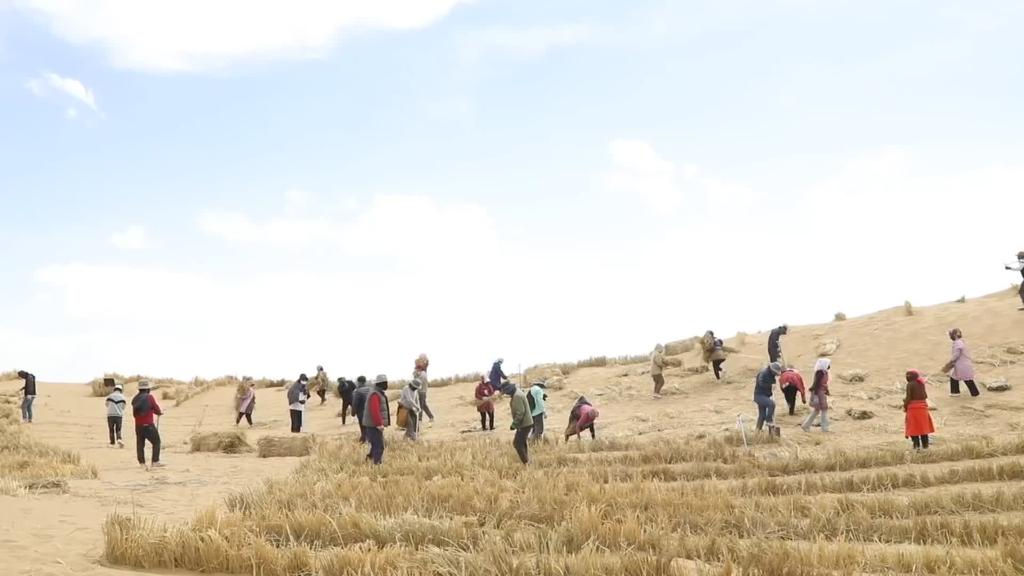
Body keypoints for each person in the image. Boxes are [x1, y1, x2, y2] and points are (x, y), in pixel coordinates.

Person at [131, 380, 164, 469]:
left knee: (140, 444)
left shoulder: (135, 398)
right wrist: (159, 412)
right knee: (156, 442)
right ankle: (155, 461)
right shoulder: (149, 397)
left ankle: (142, 463)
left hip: (138, 425)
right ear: (147, 389)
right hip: (148, 425)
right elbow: (156, 408)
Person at [362, 374, 391, 464]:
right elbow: (375, 410)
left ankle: (368, 460)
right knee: (379, 446)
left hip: (372, 424)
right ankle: (377, 464)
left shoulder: (376, 392)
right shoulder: (375, 394)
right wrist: (379, 424)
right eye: (385, 383)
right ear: (381, 384)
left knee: (375, 444)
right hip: (373, 425)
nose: (387, 385)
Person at [943, 328, 979, 397]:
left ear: (954, 335)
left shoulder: (957, 344)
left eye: (950, 335)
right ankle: (973, 393)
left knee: (965, 379)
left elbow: (956, 355)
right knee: (960, 378)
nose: (950, 337)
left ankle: (956, 392)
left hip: (961, 365)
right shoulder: (961, 341)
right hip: (965, 364)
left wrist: (950, 362)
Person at [904, 369, 934, 450]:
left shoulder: (909, 384)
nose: (907, 377)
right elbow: (925, 396)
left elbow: (908, 397)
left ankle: (916, 447)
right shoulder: (921, 383)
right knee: (923, 429)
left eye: (908, 375)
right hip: (923, 408)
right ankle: (925, 447)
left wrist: (905, 406)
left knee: (914, 429)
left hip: (913, 409)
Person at [504, 383, 534, 464]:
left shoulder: (517, 396)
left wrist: (514, 424)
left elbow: (520, 412)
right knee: (522, 442)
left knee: (517, 443)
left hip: (524, 424)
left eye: (507, 392)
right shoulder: (518, 392)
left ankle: (526, 462)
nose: (507, 394)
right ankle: (527, 460)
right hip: (527, 423)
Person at [801, 359, 831, 432]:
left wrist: (826, 390)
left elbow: (823, 384)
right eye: (828, 364)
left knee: (817, 411)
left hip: (821, 393)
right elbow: (816, 384)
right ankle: (824, 428)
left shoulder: (824, 372)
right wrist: (814, 395)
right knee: (823, 410)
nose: (829, 366)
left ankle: (806, 425)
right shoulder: (820, 373)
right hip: (819, 394)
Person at [753, 362, 782, 435]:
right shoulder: (763, 373)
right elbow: (761, 383)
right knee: (771, 404)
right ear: (772, 370)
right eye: (776, 372)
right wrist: (770, 386)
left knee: (762, 415)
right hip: (759, 396)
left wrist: (773, 385)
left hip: (765, 396)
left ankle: (757, 432)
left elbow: (773, 382)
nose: (776, 374)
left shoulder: (771, 375)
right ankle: (769, 420)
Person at [414, 354, 435, 425]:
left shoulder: (422, 373)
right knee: (424, 405)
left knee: (420, 406)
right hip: (421, 391)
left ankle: (420, 420)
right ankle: (431, 417)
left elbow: (417, 382)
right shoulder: (421, 372)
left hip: (422, 391)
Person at [105, 383, 126, 447]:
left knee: (111, 429)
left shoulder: (110, 396)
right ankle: (119, 439)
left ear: (114, 389)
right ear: (121, 390)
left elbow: (106, 404)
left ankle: (112, 442)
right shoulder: (123, 397)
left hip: (110, 415)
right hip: (119, 415)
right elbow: (123, 407)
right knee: (118, 429)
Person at [352, 376, 371, 443]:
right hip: (371, 412)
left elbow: (355, 403)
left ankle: (363, 441)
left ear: (358, 382)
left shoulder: (357, 391)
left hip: (361, 413)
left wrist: (353, 413)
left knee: (363, 430)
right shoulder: (370, 389)